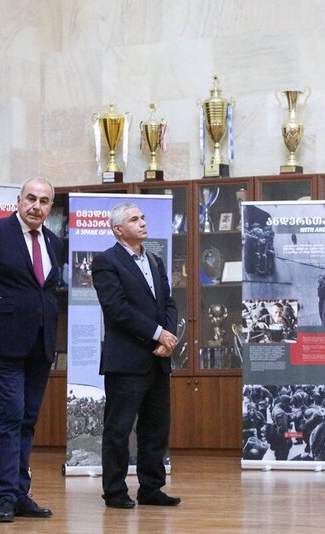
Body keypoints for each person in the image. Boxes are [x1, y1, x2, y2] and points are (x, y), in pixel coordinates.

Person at [0, 178, 63, 523]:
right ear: (19, 200)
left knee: (28, 419)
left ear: (50, 207)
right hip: (4, 342)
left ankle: (20, 493)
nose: (36, 206)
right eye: (30, 199)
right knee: (10, 416)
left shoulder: (53, 241)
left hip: (41, 342)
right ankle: (4, 496)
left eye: (44, 201)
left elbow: (47, 289)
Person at [91, 202, 180, 509]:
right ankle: (115, 492)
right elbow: (117, 310)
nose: (143, 222)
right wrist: (158, 333)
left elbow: (168, 302)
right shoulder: (106, 262)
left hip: (158, 358)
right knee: (118, 429)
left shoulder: (154, 260)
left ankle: (151, 489)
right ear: (118, 229)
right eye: (134, 219)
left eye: (143, 217)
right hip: (126, 360)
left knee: (156, 428)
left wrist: (168, 338)